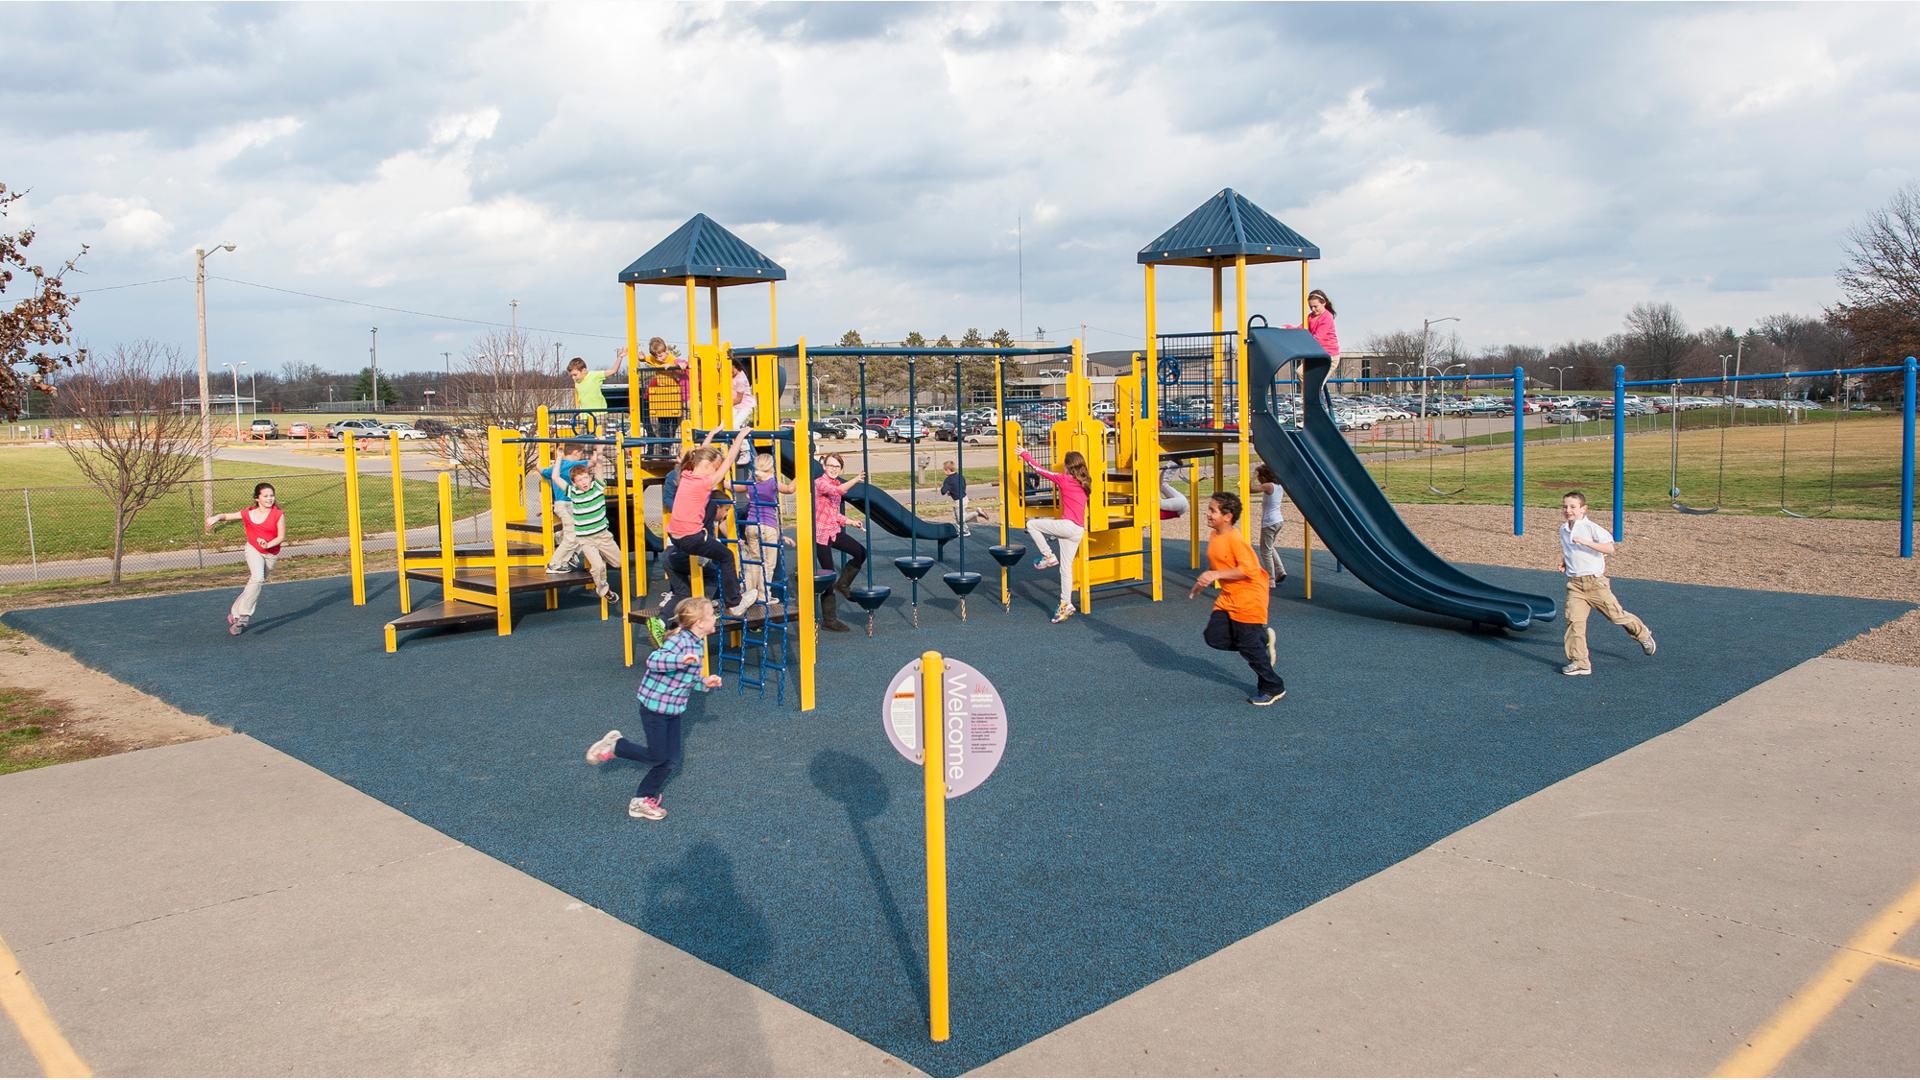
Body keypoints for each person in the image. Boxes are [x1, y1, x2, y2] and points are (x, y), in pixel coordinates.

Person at [586, 598, 723, 821]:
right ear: (699, 622)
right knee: (658, 756)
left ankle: (642, 799)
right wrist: (679, 660)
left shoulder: (697, 642)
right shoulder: (680, 641)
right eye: (711, 615)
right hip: (655, 707)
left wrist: (704, 682)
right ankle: (616, 746)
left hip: (673, 708)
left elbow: (685, 678)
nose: (714, 618)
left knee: (671, 759)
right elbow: (654, 660)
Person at [1189, 492, 1286, 706]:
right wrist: (1202, 581)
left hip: (1249, 598)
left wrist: (1215, 575)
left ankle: (1273, 686)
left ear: (1228, 516)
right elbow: (1219, 564)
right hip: (1229, 596)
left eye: (1212, 510)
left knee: (1249, 647)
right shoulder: (1215, 535)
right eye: (1209, 508)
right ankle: (1260, 641)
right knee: (1213, 637)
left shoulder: (1235, 539)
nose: (1207, 513)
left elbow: (1249, 570)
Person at [1557, 491, 1656, 676]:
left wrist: (1586, 542)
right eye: (1565, 506)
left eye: (1572, 507)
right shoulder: (1563, 530)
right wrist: (1564, 562)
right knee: (1574, 622)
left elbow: (1610, 548)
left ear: (1583, 509)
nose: (1568, 510)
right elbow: (1569, 550)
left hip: (1595, 584)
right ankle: (1580, 662)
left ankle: (1642, 634)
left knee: (1616, 616)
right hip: (1575, 585)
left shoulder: (1591, 528)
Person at [666, 427, 756, 618]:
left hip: (674, 536)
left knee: (709, 508)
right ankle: (735, 603)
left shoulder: (686, 474)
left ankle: (703, 555)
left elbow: (700, 454)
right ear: (707, 466)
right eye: (715, 468)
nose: (716, 472)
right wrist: (740, 437)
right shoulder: (704, 482)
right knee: (727, 557)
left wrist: (711, 436)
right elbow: (730, 460)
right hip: (692, 539)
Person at [1018, 447, 1091, 624]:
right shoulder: (1086, 482)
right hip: (1078, 530)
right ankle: (1066, 604)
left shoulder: (1065, 479)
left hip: (1067, 526)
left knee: (1032, 524)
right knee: (1065, 569)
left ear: (1067, 466)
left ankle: (1048, 556)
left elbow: (1039, 470)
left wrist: (1024, 454)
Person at [205, 482, 285, 636]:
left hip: (270, 553)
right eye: (266, 496)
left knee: (254, 583)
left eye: (272, 495)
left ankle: (235, 613)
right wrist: (216, 517)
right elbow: (227, 516)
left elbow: (281, 536)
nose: (270, 499)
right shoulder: (249, 513)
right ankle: (244, 615)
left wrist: (268, 544)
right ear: (257, 498)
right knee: (258, 578)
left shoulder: (278, 514)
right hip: (253, 549)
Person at [812, 452, 866, 633]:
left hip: (833, 531)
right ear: (824, 467)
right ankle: (829, 619)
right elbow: (838, 491)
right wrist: (857, 479)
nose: (834, 469)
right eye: (831, 465)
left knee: (860, 552)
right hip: (820, 535)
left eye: (837, 466)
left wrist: (851, 522)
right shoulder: (820, 483)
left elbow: (833, 513)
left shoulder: (835, 483)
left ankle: (843, 584)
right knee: (828, 575)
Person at [565, 462, 625, 607]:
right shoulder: (573, 492)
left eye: (585, 478)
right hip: (586, 540)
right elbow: (555, 477)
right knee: (597, 567)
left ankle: (602, 554)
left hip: (603, 536)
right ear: (574, 483)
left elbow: (599, 468)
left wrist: (599, 452)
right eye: (579, 480)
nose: (583, 482)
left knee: (619, 562)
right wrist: (559, 457)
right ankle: (605, 591)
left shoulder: (597, 488)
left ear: (590, 478)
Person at [740, 452, 796, 607]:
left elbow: (737, 487)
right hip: (767, 526)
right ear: (772, 468)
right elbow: (790, 489)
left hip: (750, 525)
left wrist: (724, 483)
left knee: (754, 561)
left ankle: (749, 592)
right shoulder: (772, 482)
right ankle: (764, 595)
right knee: (768, 563)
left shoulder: (751, 480)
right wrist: (800, 474)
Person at [541, 442, 596, 574]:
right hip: (567, 505)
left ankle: (569, 556)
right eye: (580, 454)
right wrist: (597, 446)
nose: (581, 456)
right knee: (572, 536)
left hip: (561, 504)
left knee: (582, 532)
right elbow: (593, 462)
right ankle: (554, 564)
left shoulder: (556, 467)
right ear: (576, 453)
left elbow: (540, 469)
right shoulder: (574, 465)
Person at [645, 337, 687, 442]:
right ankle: (665, 446)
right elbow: (645, 358)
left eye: (661, 355)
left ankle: (673, 443)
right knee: (662, 422)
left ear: (666, 351)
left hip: (673, 392)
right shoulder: (654, 359)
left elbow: (682, 365)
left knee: (673, 421)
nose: (659, 359)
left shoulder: (671, 359)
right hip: (661, 394)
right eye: (656, 356)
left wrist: (676, 366)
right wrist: (641, 357)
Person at [1254, 463, 1288, 585]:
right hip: (1278, 520)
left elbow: (1250, 488)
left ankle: (1271, 579)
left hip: (1269, 522)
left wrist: (1254, 474)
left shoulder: (1268, 486)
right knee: (1270, 547)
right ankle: (1280, 571)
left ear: (1264, 477)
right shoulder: (1279, 486)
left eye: (1259, 478)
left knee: (1265, 551)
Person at [939, 460, 990, 536]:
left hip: (959, 501)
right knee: (956, 515)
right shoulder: (960, 476)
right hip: (964, 497)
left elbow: (943, 491)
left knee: (961, 518)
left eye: (944, 470)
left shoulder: (948, 480)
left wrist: (947, 490)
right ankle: (964, 530)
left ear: (947, 470)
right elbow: (963, 485)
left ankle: (977, 513)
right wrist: (953, 491)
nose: (943, 471)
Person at [567, 354, 624, 418]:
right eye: (571, 376)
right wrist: (578, 413)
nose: (573, 378)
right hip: (585, 417)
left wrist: (620, 357)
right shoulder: (577, 383)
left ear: (584, 370)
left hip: (599, 415)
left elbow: (613, 371)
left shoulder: (594, 376)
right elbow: (579, 400)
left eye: (575, 375)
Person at [1289, 289, 1339, 359]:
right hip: (1316, 353)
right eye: (1310, 307)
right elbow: (1300, 329)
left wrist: (1303, 345)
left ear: (1323, 303)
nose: (1313, 309)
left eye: (1315, 306)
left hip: (1329, 354)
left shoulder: (1327, 317)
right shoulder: (1310, 317)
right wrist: (1287, 328)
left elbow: (1318, 338)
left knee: (1320, 370)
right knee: (1299, 370)